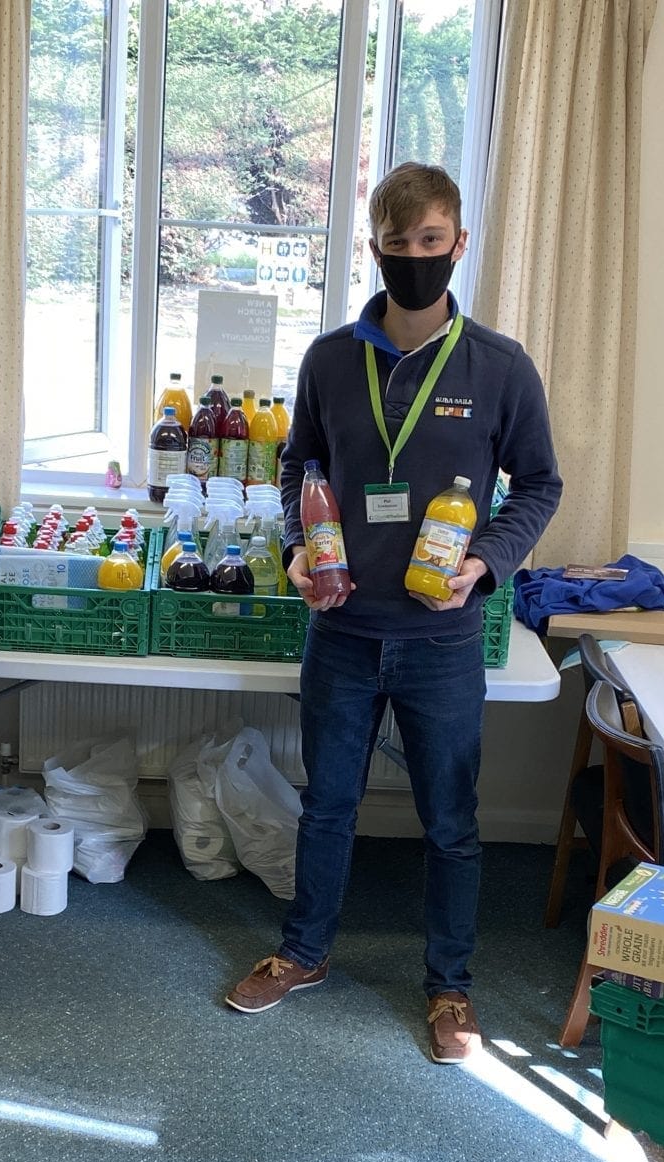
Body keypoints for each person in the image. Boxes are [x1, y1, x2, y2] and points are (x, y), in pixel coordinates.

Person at [223, 164, 562, 1062]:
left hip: (442, 639)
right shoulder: (330, 359)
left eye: (431, 240)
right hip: (341, 629)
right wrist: (296, 547)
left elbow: (540, 483)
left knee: (450, 821)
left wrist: (486, 561)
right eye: (397, 242)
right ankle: (303, 952)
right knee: (326, 805)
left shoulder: (500, 367)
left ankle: (451, 985)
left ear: (459, 244)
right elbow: (298, 466)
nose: (415, 256)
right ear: (373, 249)